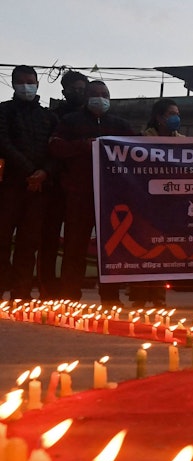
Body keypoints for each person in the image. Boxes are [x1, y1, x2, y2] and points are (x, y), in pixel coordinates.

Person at [49, 80, 135, 305]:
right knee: (74, 246)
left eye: (104, 93)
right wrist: (82, 145)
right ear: (86, 97)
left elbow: (139, 150)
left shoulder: (121, 124)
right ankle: (70, 296)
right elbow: (55, 148)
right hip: (79, 193)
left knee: (111, 249)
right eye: (95, 94)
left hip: (112, 196)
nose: (100, 97)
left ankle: (110, 297)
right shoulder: (69, 122)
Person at [0, 65, 58, 300]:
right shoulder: (3, 111)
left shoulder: (49, 116)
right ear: (13, 84)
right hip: (9, 186)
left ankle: (21, 293)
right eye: (22, 81)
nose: (27, 86)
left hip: (40, 189)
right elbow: (3, 142)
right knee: (2, 239)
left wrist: (44, 172)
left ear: (37, 83)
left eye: (31, 81)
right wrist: (30, 172)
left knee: (29, 243)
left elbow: (56, 150)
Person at [127, 98, 184, 308]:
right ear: (159, 117)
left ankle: (159, 294)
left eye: (177, 113)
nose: (175, 118)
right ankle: (140, 295)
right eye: (170, 113)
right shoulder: (140, 141)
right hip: (144, 203)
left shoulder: (183, 142)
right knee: (142, 249)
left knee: (165, 251)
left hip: (170, 205)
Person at [41, 71, 89, 299]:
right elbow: (50, 149)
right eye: (73, 90)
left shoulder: (95, 119)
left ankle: (71, 292)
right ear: (64, 92)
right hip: (54, 187)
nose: (78, 93)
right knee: (48, 240)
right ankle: (47, 290)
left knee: (75, 243)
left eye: (82, 89)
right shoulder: (53, 117)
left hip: (81, 190)